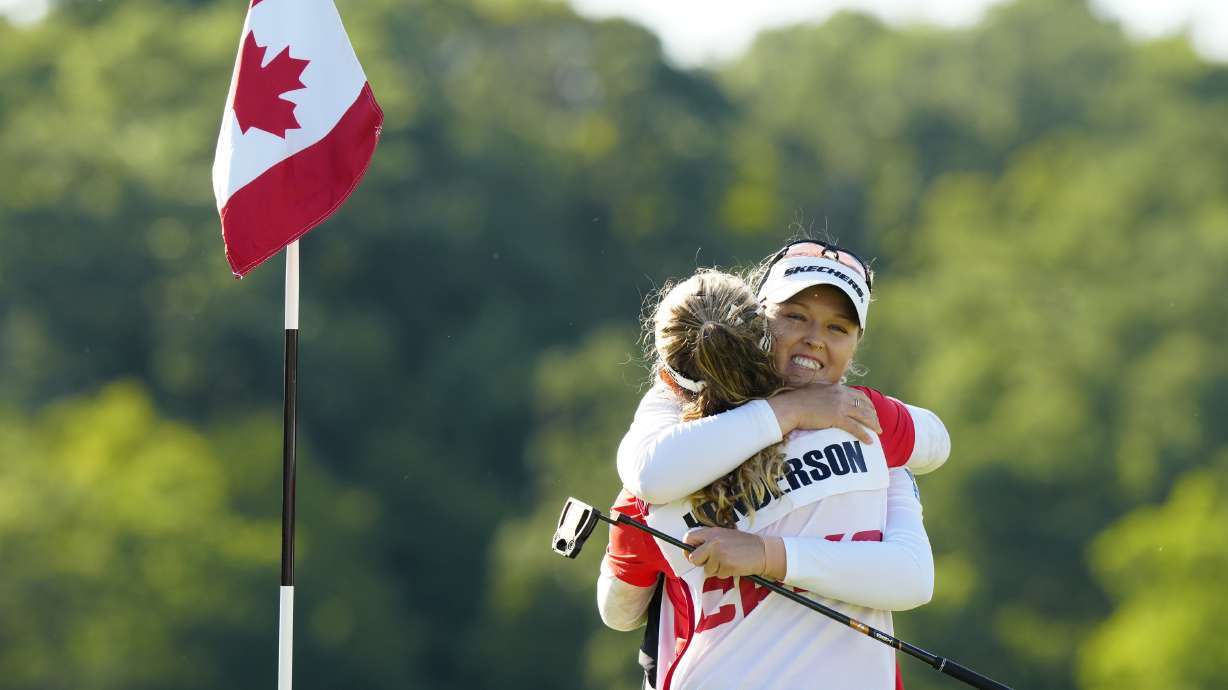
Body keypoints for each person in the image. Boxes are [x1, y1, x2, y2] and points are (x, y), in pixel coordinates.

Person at [598, 241, 949, 689]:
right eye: (795, 316)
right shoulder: (665, 467)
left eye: (838, 327)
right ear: (757, 319)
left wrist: (767, 556)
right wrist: (794, 410)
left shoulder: (869, 429)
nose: (815, 337)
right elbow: (646, 480)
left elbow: (913, 577)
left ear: (857, 343)